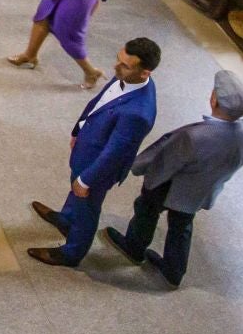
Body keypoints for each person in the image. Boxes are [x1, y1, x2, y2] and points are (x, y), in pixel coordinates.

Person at [103, 68, 243, 287]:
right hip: (201, 190)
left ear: (214, 99)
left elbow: (165, 160)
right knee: (182, 226)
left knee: (146, 211)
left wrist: (138, 169)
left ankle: (134, 247)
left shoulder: (194, 136)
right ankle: (173, 271)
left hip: (169, 186)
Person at [29, 37, 161, 269]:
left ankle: (72, 253)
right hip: (87, 148)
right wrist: (78, 129)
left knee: (87, 208)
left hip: (98, 166)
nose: (116, 67)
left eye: (125, 65)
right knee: (76, 194)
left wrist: (87, 179)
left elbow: (116, 151)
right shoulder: (125, 76)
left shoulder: (138, 112)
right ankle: (66, 218)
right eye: (118, 60)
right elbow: (98, 103)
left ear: (144, 73)